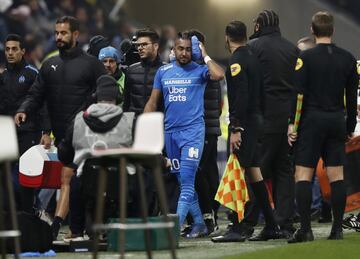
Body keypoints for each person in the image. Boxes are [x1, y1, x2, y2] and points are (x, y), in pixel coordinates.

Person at [15, 16, 106, 240]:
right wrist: (25, 109)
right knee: (68, 180)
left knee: (77, 180)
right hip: (63, 135)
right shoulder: (49, 65)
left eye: (63, 33)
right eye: (56, 33)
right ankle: (69, 229)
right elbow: (37, 94)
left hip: (87, 133)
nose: (58, 37)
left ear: (75, 35)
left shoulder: (91, 64)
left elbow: (107, 91)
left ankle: (78, 228)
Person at [144, 31, 224, 238]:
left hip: (193, 133)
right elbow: (153, 102)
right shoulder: (164, 72)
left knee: (187, 182)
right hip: (170, 134)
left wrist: (204, 54)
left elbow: (218, 74)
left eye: (189, 49)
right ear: (174, 49)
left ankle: (172, 230)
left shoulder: (200, 71)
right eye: (181, 48)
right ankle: (198, 223)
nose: (184, 53)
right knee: (182, 181)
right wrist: (144, 129)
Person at [287, 11, 358, 243]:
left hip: (311, 121)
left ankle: (305, 230)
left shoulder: (305, 59)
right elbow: (350, 97)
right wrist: (349, 127)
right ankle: (337, 230)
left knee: (303, 175)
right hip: (336, 120)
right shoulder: (348, 58)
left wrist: (292, 125)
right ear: (333, 30)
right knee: (336, 176)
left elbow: (298, 96)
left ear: (312, 30)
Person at [212, 20, 281, 243]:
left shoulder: (237, 61)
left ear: (227, 37)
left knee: (238, 173)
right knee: (254, 173)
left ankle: (237, 228)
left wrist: (236, 128)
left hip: (246, 125)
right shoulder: (253, 56)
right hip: (257, 121)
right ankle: (271, 225)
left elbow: (240, 97)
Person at [57, 75, 134, 239]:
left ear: (95, 96)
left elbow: (64, 153)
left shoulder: (79, 119)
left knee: (74, 178)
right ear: (117, 97)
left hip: (87, 180)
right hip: (121, 180)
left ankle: (76, 231)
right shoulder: (129, 121)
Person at [247, 10, 299, 238]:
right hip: (285, 119)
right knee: (284, 172)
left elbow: (248, 84)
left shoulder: (254, 48)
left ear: (258, 25)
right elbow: (299, 87)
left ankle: (249, 223)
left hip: (263, 119)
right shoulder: (292, 49)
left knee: (258, 170)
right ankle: (285, 223)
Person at [0, 34, 50, 213]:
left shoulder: (32, 73)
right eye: (7, 49)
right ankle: (10, 215)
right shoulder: (3, 76)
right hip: (7, 135)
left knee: (25, 176)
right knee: (5, 179)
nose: (10, 53)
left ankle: (30, 214)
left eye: (14, 49)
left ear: (23, 51)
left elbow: (43, 103)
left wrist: (46, 131)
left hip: (29, 132)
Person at [187, 29, 222, 234]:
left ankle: (208, 216)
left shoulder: (205, 69)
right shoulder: (195, 68)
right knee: (206, 172)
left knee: (202, 173)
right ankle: (206, 217)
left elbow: (216, 103)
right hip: (207, 128)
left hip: (205, 128)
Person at [123, 28, 164, 115]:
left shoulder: (166, 70)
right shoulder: (131, 70)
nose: (140, 48)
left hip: (157, 123)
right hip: (135, 123)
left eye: (144, 44)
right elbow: (126, 101)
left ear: (156, 46)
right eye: (138, 45)